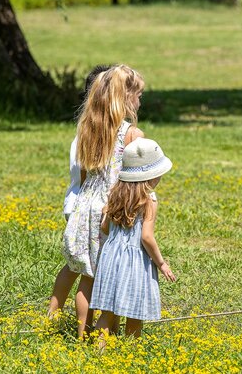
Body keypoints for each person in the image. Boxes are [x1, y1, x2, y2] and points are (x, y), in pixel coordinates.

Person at [62, 64, 145, 337]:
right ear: (126, 97)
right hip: (113, 208)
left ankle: (82, 336)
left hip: (87, 205)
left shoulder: (89, 127)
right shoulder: (132, 134)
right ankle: (108, 332)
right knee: (113, 274)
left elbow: (84, 173)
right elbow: (136, 177)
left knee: (88, 276)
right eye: (138, 95)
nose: (140, 100)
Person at [91, 138, 176, 345]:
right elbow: (146, 236)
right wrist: (161, 263)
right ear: (152, 176)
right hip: (135, 261)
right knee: (135, 313)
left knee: (107, 312)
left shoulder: (114, 193)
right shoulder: (149, 200)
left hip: (110, 257)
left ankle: (97, 353)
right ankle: (132, 350)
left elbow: (105, 227)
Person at [47, 64, 111, 318]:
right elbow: (88, 175)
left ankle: (53, 313)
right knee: (89, 271)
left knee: (74, 266)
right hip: (84, 207)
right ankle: (85, 326)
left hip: (74, 204)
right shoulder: (94, 132)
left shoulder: (85, 127)